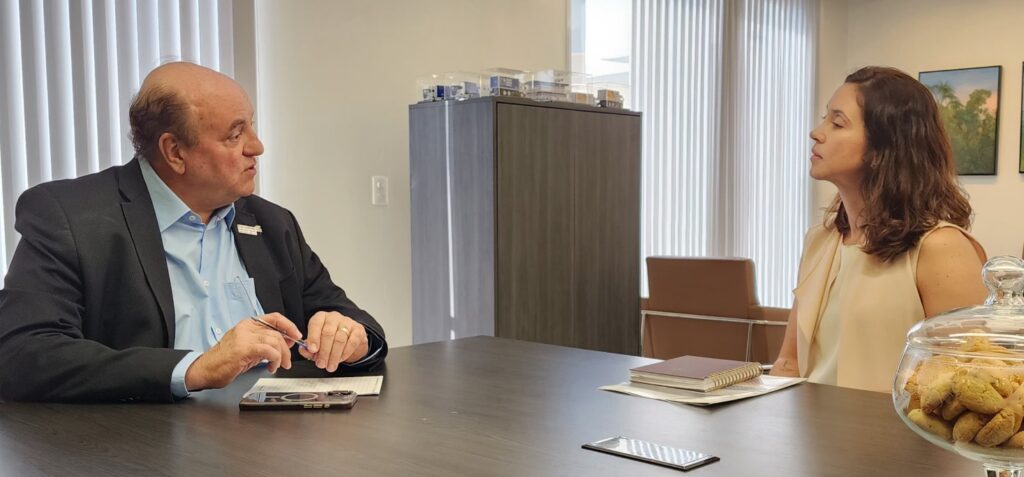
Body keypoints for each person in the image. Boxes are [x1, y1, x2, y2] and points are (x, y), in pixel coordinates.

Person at [0, 62, 387, 402]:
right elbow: (23, 354)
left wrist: (351, 338)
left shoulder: (271, 223)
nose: (257, 147)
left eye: (251, 126)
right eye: (235, 135)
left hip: (269, 441)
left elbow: (350, 318)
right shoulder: (71, 217)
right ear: (175, 152)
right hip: (143, 445)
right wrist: (194, 369)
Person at [770, 66, 987, 392]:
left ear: (883, 148)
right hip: (810, 424)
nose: (816, 132)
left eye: (837, 123)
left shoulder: (941, 248)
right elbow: (788, 364)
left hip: (891, 428)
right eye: (825, 118)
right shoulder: (819, 241)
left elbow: (969, 385)